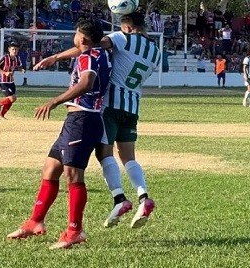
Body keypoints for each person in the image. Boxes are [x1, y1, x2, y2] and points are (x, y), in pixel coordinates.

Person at [34, 12, 158, 229]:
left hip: (109, 105)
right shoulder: (155, 50)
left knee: (104, 153)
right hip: (132, 105)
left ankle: (119, 199)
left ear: (126, 27)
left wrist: (56, 57)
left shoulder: (122, 38)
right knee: (129, 157)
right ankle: (143, 196)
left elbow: (89, 44)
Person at [7, 19, 111, 249]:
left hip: (83, 119)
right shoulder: (97, 50)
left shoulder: (88, 58)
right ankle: (35, 221)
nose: (74, 37)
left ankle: (75, 231)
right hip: (75, 120)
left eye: (76, 34)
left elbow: (86, 82)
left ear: (82, 38)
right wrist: (55, 57)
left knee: (73, 175)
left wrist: (54, 101)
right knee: (51, 167)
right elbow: (80, 50)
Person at [0, 42, 24, 119]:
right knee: (12, 98)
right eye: (13, 49)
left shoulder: (17, 58)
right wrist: (4, 73)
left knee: (11, 100)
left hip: (11, 81)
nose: (14, 51)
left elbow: (19, 66)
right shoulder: (4, 58)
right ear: (9, 50)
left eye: (16, 49)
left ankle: (1, 115)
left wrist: (21, 70)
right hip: (3, 81)